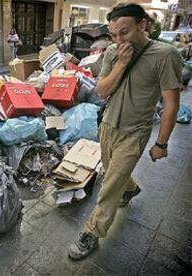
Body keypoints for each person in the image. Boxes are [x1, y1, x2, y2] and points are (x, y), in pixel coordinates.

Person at [68, 3, 182, 260]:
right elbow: (101, 91)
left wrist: (161, 143)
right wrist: (121, 63)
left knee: (108, 185)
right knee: (112, 173)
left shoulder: (166, 55)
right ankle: (129, 189)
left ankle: (92, 232)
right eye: (114, 34)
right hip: (108, 125)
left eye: (124, 32)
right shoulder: (112, 52)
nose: (118, 39)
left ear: (143, 25)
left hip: (135, 132)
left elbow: (171, 104)